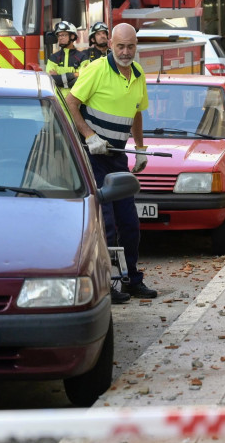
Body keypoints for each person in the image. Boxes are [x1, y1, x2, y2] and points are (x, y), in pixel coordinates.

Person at [66, 23, 158, 304]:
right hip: (92, 156)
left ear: (136, 46)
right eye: (120, 46)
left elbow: (137, 113)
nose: (126, 52)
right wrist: (90, 135)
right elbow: (70, 103)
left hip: (117, 156)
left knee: (129, 222)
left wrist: (140, 148)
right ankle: (106, 283)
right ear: (110, 44)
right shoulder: (96, 69)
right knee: (105, 223)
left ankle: (131, 279)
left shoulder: (139, 74)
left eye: (131, 46)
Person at [45, 21, 86, 96]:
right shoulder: (53, 58)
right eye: (59, 35)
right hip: (58, 103)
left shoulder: (83, 57)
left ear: (72, 36)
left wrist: (59, 79)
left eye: (63, 35)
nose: (60, 38)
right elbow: (50, 80)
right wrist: (74, 75)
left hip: (77, 102)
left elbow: (84, 80)